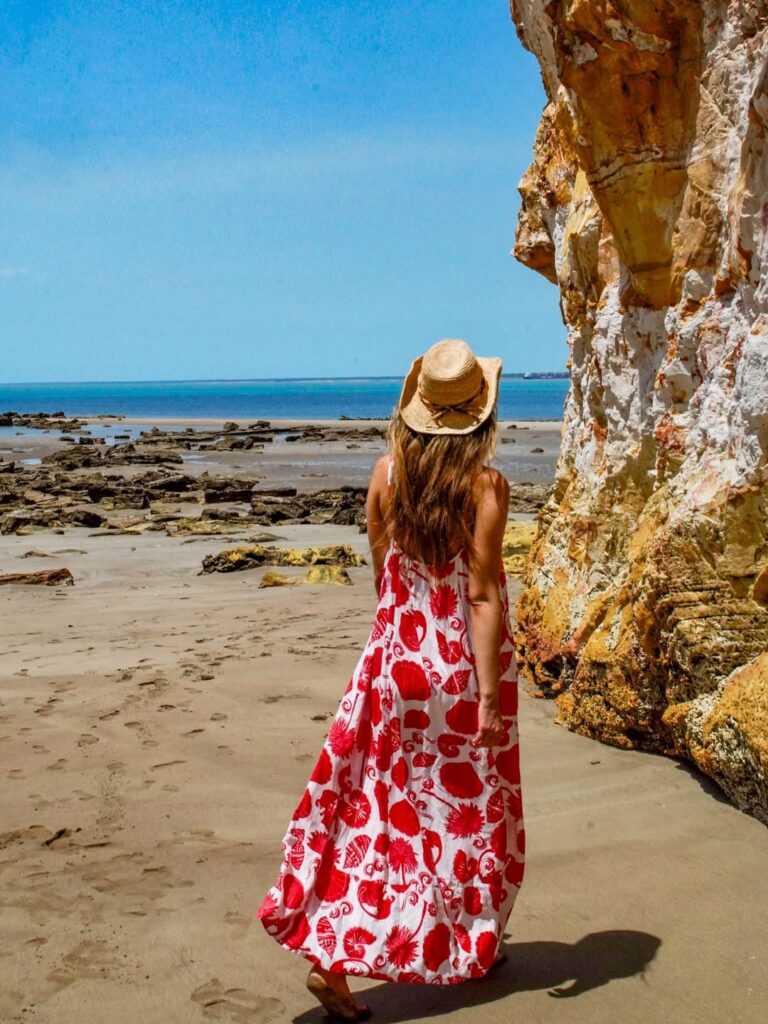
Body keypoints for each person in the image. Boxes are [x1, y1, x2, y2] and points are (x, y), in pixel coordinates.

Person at [257, 338, 525, 1021]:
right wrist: (490, 697)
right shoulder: (487, 487)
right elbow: (485, 594)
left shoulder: (385, 476)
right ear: (480, 419)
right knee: (467, 816)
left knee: (378, 817)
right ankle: (472, 940)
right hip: (460, 672)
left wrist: (398, 643)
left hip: (392, 668)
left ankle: (334, 960)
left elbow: (385, 580)